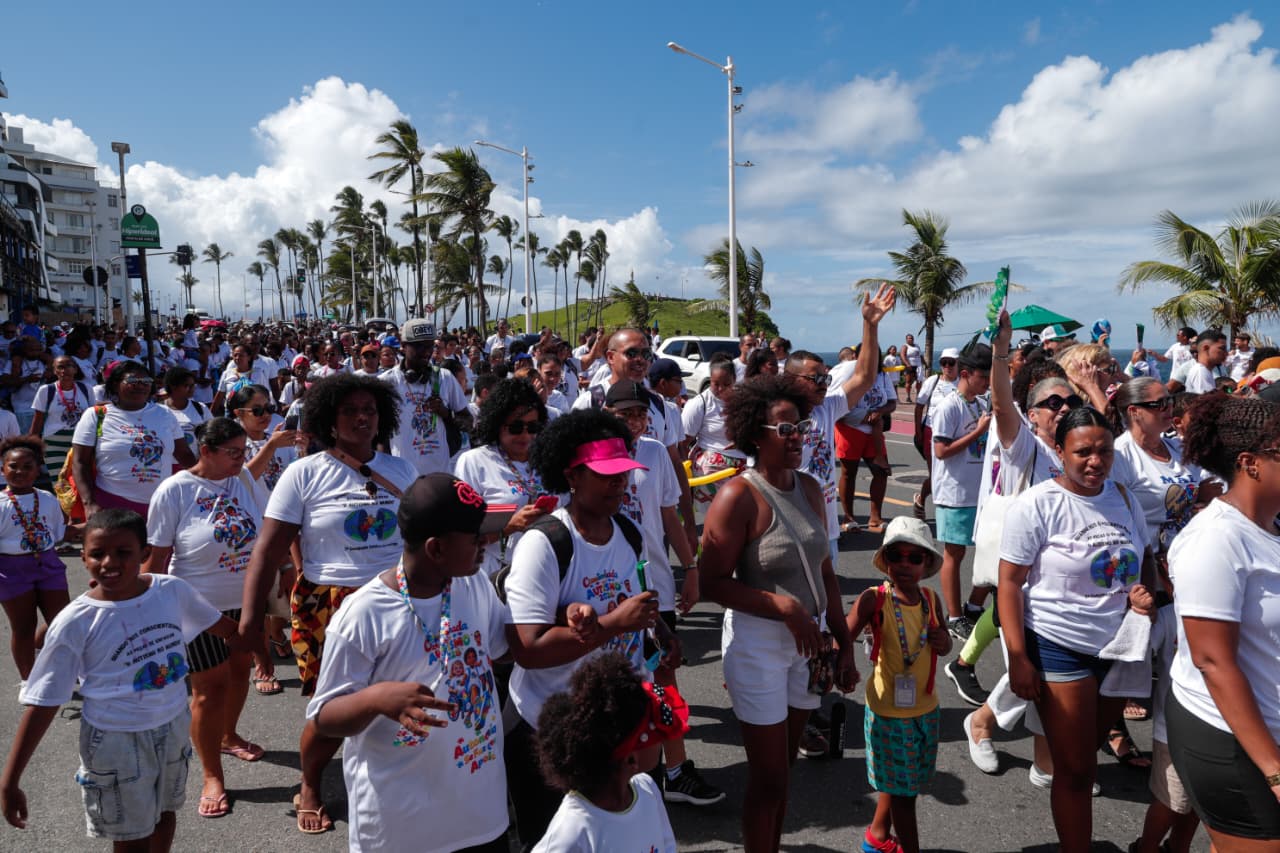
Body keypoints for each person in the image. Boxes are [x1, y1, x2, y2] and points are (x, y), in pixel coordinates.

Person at [237, 373, 419, 834]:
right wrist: (251, 618)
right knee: (331, 707)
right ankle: (313, 784)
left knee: (397, 699)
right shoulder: (304, 473)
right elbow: (268, 549)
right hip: (329, 603)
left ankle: (396, 779)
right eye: (350, 411)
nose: (362, 418)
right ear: (328, 421)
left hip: (397, 601)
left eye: (370, 411)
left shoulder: (401, 471)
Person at [1, 509, 242, 852]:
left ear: (145, 554)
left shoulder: (170, 591)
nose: (109, 562)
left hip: (173, 727)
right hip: (115, 741)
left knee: (165, 814)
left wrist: (256, 649)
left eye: (123, 552)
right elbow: (44, 701)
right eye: (97, 553)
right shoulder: (75, 621)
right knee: (131, 837)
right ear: (81, 557)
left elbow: (223, 628)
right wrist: (10, 780)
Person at [308, 473, 519, 852]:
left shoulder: (472, 584)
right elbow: (324, 717)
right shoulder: (364, 614)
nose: (485, 543)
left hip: (480, 817)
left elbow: (505, 647)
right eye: (474, 537)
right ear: (436, 549)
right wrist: (375, 700)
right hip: (403, 827)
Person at [700, 373, 858, 852]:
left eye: (803, 428)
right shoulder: (737, 497)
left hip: (808, 649)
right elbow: (711, 584)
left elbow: (826, 572)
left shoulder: (810, 487)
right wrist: (782, 607)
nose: (798, 439)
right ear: (755, 435)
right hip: (759, 647)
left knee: (784, 773)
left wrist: (844, 644)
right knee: (767, 778)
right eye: (786, 430)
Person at [503, 409, 671, 846]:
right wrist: (616, 623)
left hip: (616, 727)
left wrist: (660, 638)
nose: (620, 483)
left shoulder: (629, 533)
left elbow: (640, 608)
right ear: (572, 476)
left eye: (624, 474)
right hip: (551, 729)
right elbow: (528, 647)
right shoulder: (545, 543)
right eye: (607, 475)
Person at [999, 407, 1157, 853]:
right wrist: (1018, 657)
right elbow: (1009, 584)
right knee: (1074, 769)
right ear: (1059, 451)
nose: (1095, 462)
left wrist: (1145, 593)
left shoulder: (1123, 498)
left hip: (1119, 647)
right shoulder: (1037, 504)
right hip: (1058, 644)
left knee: (1086, 753)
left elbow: (1143, 555)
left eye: (1104, 451)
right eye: (1083, 452)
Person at [1166, 393, 1280, 849]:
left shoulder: (1268, 527)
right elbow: (1213, 661)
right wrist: (1273, 769)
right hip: (1230, 739)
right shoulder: (1215, 541)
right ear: (1250, 463)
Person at [603, 380, 720, 806]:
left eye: (640, 415)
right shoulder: (590, 455)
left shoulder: (653, 452)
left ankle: (675, 770)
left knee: (664, 679)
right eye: (624, 415)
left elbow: (668, 515)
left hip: (654, 587)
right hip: (608, 595)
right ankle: (620, 773)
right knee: (615, 684)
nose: (634, 422)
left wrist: (690, 569)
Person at [144, 418, 267, 818]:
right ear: (206, 451)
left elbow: (267, 532)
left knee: (239, 672)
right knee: (208, 689)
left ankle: (229, 735)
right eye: (233, 452)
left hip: (244, 600)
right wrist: (146, 605)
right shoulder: (175, 490)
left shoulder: (245, 480)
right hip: (197, 607)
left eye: (243, 451)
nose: (241, 459)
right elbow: (158, 558)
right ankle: (212, 774)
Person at [845, 517, 949, 853]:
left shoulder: (931, 600)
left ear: (926, 563)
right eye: (896, 556)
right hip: (889, 714)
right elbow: (842, 635)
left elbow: (945, 645)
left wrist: (941, 639)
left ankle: (877, 836)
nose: (904, 564)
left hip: (926, 710)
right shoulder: (874, 599)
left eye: (914, 557)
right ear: (885, 561)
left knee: (906, 782)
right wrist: (839, 664)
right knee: (904, 795)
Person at [533, 653, 683, 853]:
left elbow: (667, 846)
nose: (663, 740)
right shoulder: (572, 833)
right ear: (631, 759)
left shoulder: (647, 790)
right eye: (657, 733)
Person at [452, 378, 552, 578]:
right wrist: (510, 526)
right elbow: (461, 534)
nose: (525, 435)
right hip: (494, 571)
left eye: (532, 427)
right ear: (497, 424)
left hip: (544, 567)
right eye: (515, 427)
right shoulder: (474, 461)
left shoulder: (547, 460)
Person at [70, 362, 195, 521]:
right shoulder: (96, 415)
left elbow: (184, 454)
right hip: (111, 505)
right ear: (116, 384)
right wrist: (89, 503)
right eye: (132, 382)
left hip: (161, 505)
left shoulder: (164, 414)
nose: (140, 386)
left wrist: (207, 482)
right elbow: (80, 462)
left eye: (146, 382)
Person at [930, 343, 993, 638]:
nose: (988, 382)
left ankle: (972, 606)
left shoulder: (980, 404)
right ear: (966, 374)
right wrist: (978, 432)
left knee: (987, 549)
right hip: (954, 492)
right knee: (954, 553)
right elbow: (941, 451)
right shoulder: (948, 407)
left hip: (978, 492)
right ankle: (954, 616)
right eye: (984, 377)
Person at [0, 437, 72, 685]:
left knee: (62, 621)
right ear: (2, 469)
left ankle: (57, 664)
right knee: (23, 627)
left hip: (48, 565)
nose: (19, 472)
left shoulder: (48, 499)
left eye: (27, 467)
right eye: (13, 466)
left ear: (38, 469)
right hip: (12, 570)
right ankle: (28, 680)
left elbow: (58, 533)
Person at [383, 319, 471, 477]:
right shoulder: (387, 382)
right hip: (401, 476)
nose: (426, 351)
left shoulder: (444, 378)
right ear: (403, 346)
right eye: (419, 345)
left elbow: (468, 421)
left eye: (430, 345)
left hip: (439, 474)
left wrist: (446, 413)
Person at [833, 345, 896, 534]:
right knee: (848, 472)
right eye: (867, 355)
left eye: (875, 356)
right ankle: (848, 517)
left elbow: (892, 402)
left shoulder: (882, 376)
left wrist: (880, 411)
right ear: (856, 357)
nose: (871, 359)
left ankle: (875, 517)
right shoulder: (850, 372)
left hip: (874, 428)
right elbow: (838, 399)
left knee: (880, 471)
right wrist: (865, 413)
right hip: (850, 427)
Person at [683, 359, 747, 497]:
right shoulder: (700, 404)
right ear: (710, 380)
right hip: (710, 470)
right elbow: (683, 441)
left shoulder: (743, 401)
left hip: (741, 465)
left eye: (726, 384)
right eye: (715, 384)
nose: (720, 389)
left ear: (734, 380)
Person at [911, 348, 959, 519]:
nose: (947, 366)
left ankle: (931, 502)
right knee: (937, 474)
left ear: (958, 363)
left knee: (952, 473)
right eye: (944, 363)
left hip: (956, 433)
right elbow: (919, 406)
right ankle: (924, 500)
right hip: (932, 432)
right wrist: (918, 431)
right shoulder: (933, 381)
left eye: (951, 362)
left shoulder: (963, 382)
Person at [30, 355, 92, 479]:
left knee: (80, 480)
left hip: (80, 443)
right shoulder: (46, 390)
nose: (65, 370)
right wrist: (32, 447)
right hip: (53, 444)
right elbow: (38, 420)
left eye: (69, 366)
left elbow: (93, 417)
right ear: (55, 371)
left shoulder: (86, 389)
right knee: (59, 482)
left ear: (75, 369)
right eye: (60, 367)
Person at [160, 366, 208, 451]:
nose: (191, 389)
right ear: (173, 386)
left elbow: (212, 433)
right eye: (187, 385)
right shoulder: (158, 410)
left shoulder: (200, 408)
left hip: (196, 462)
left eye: (193, 385)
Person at [8, 337, 50, 434]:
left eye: (38, 350)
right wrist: (27, 379)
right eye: (31, 350)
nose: (35, 352)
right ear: (24, 350)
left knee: (40, 440)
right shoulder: (15, 362)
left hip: (41, 409)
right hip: (22, 410)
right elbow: (8, 382)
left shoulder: (43, 362)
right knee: (25, 440)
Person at [1183, 330, 1228, 394]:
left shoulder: (1204, 371)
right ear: (1206, 348)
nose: (1226, 353)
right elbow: (1209, 401)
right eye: (1222, 348)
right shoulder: (1200, 372)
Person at [901, 334, 923, 402]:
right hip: (910, 365)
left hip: (918, 365)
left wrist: (925, 363)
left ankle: (918, 396)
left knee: (919, 381)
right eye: (908, 338)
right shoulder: (905, 346)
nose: (910, 339)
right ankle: (908, 396)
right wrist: (907, 364)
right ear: (906, 339)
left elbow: (920, 356)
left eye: (911, 338)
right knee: (908, 381)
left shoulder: (917, 346)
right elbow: (903, 356)